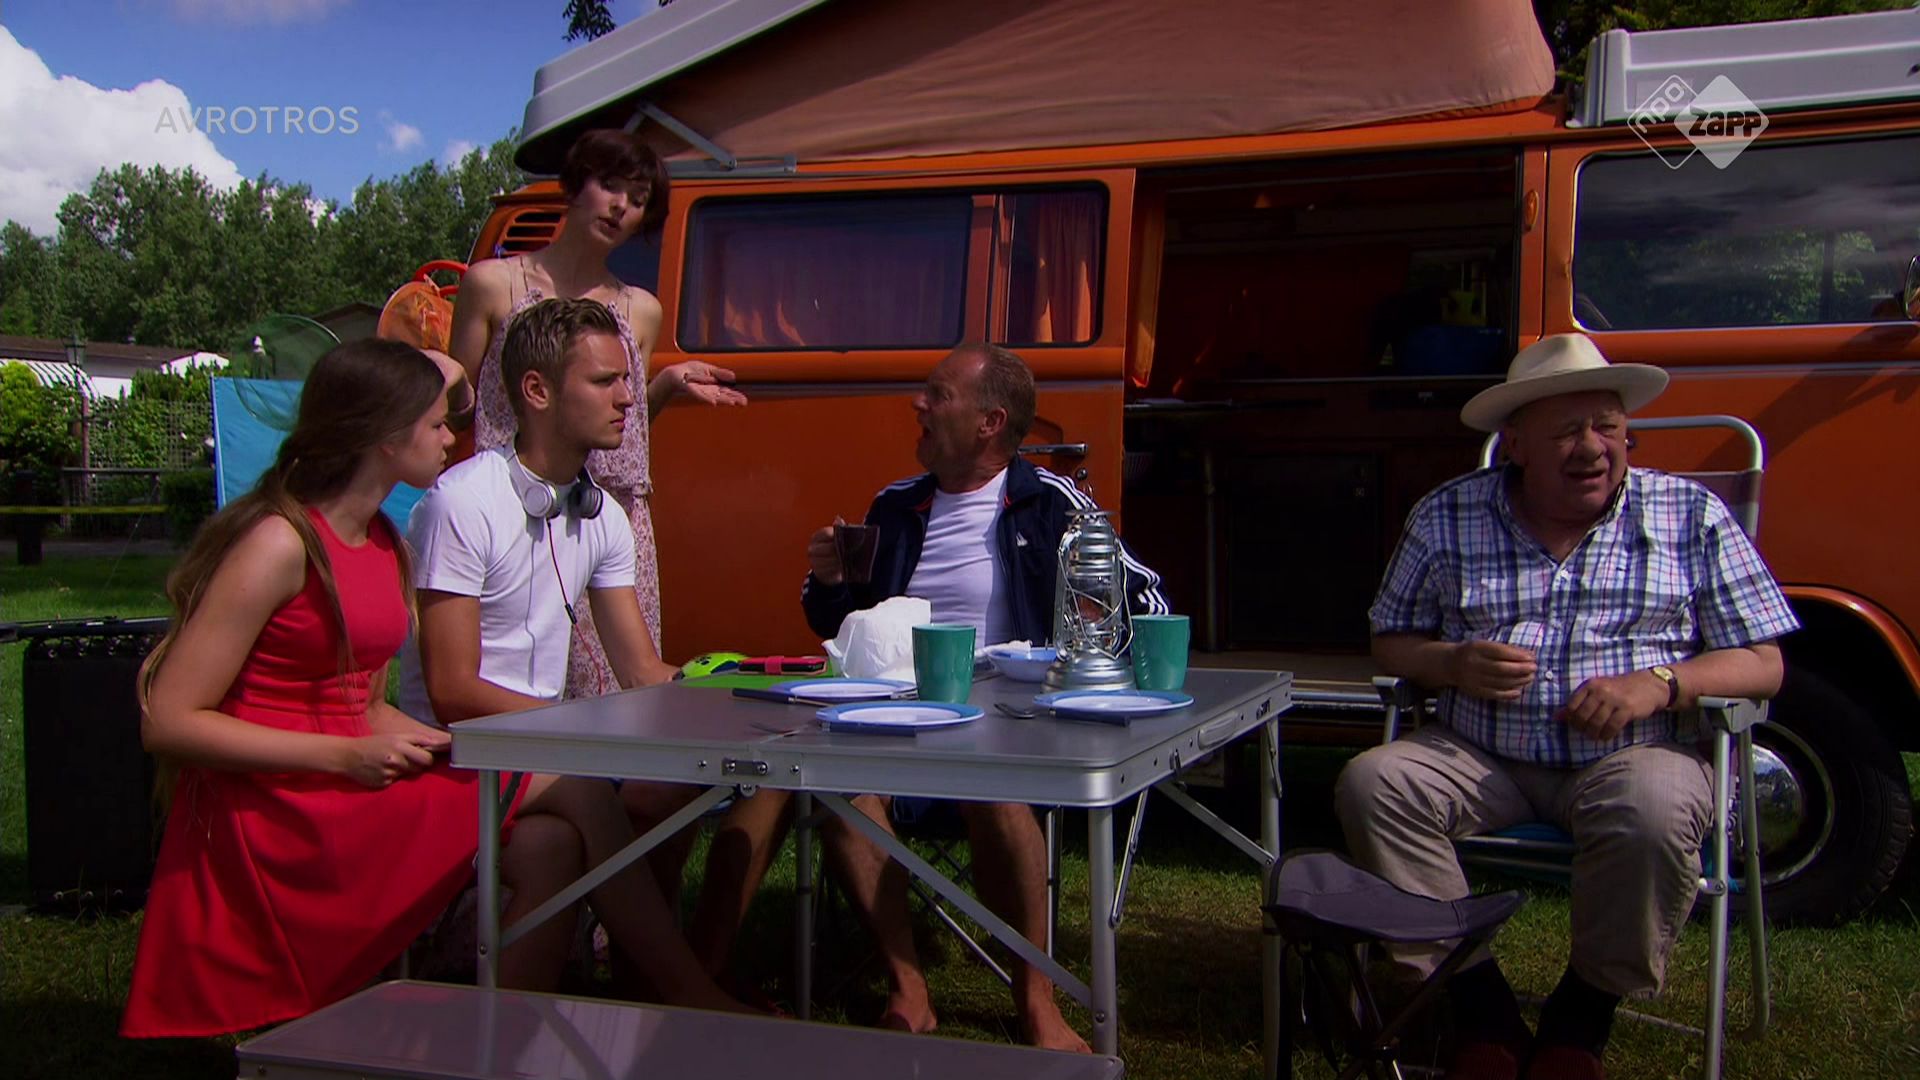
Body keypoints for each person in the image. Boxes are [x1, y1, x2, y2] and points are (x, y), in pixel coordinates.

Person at [1334, 333, 1799, 1080]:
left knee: (1653, 811)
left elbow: (1764, 663)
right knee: (1373, 783)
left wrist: (1659, 683)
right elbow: (1390, 640)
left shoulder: (1691, 515)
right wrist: (1451, 662)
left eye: (1607, 427)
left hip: (1636, 752)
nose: (1592, 448)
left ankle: (1581, 1017)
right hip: (1481, 755)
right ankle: (1478, 1003)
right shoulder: (1447, 514)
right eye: (1565, 432)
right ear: (1516, 443)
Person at [700, 343, 1167, 1051]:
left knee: (993, 786)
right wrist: (829, 581)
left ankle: (1036, 1000)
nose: (917, 405)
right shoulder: (896, 505)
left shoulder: (1050, 502)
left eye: (937, 395)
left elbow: (1146, 598)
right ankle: (906, 987)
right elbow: (844, 625)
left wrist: (1081, 650)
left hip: (1004, 726)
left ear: (989, 422)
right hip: (889, 718)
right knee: (818, 783)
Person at [122, 339, 534, 1036]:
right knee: (572, 793)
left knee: (555, 833)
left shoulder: (384, 541)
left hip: (344, 781)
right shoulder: (279, 543)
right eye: (437, 424)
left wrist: (452, 744)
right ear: (384, 437)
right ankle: (677, 996)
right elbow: (166, 721)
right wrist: (345, 756)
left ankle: (499, 1037)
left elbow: (364, 707)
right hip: (276, 805)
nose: (451, 439)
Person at [398, 297, 750, 1013]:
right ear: (537, 391)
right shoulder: (460, 504)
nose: (628, 399)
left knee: (568, 839)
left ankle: (521, 1034)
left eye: (627, 380)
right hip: (450, 757)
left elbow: (641, 672)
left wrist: (738, 698)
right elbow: (452, 690)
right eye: (604, 381)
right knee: (586, 791)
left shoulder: (600, 514)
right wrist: (575, 730)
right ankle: (689, 995)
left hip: (535, 758)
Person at [447, 127, 744, 702]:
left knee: (620, 694)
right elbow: (457, 410)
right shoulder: (493, 284)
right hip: (517, 513)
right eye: (610, 186)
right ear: (575, 185)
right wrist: (437, 375)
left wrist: (661, 388)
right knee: (514, 683)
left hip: (612, 516)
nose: (621, 207)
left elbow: (621, 429)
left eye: (638, 200)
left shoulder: (640, 309)